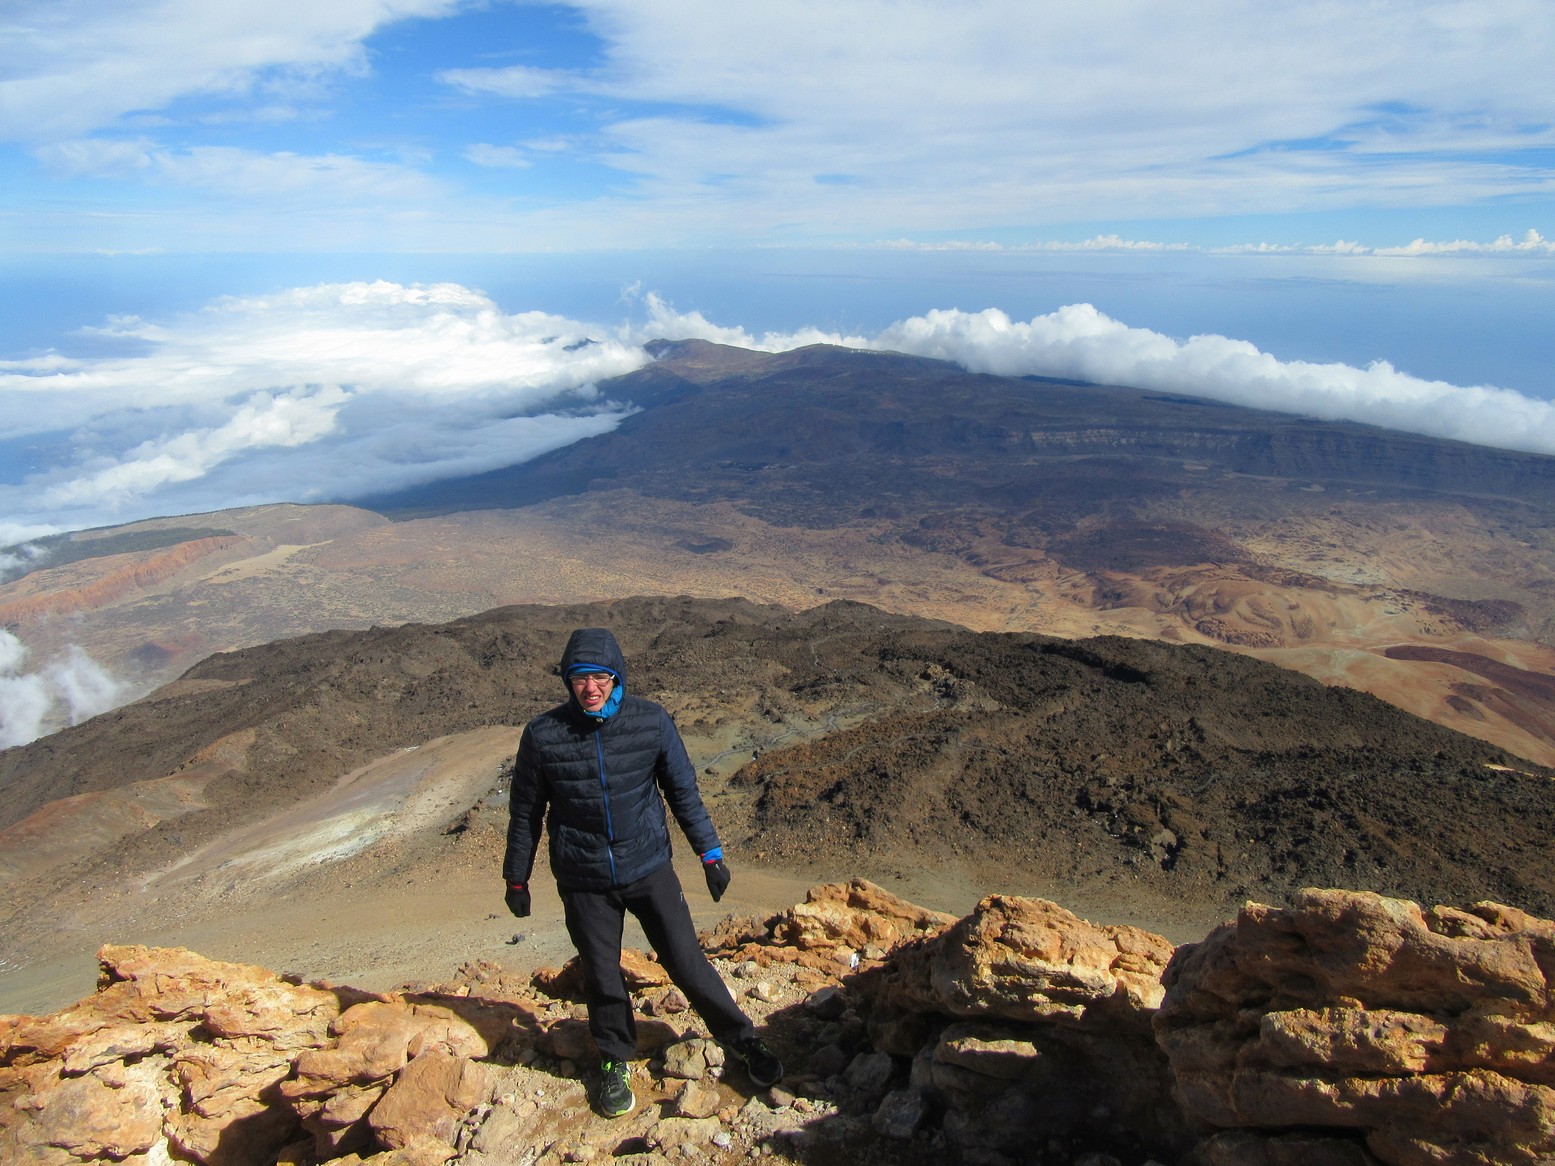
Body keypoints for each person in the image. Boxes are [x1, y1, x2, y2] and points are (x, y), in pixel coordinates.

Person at [503, 626, 783, 1118]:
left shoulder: (650, 722)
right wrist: (516, 877)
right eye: (579, 678)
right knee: (602, 974)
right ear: (567, 681)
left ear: (617, 677)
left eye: (600, 677)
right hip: (584, 878)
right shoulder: (544, 735)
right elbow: (526, 812)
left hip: (648, 865)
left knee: (686, 960)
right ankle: (615, 1060)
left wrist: (710, 854)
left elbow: (682, 791)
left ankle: (741, 1038)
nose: (590, 688)